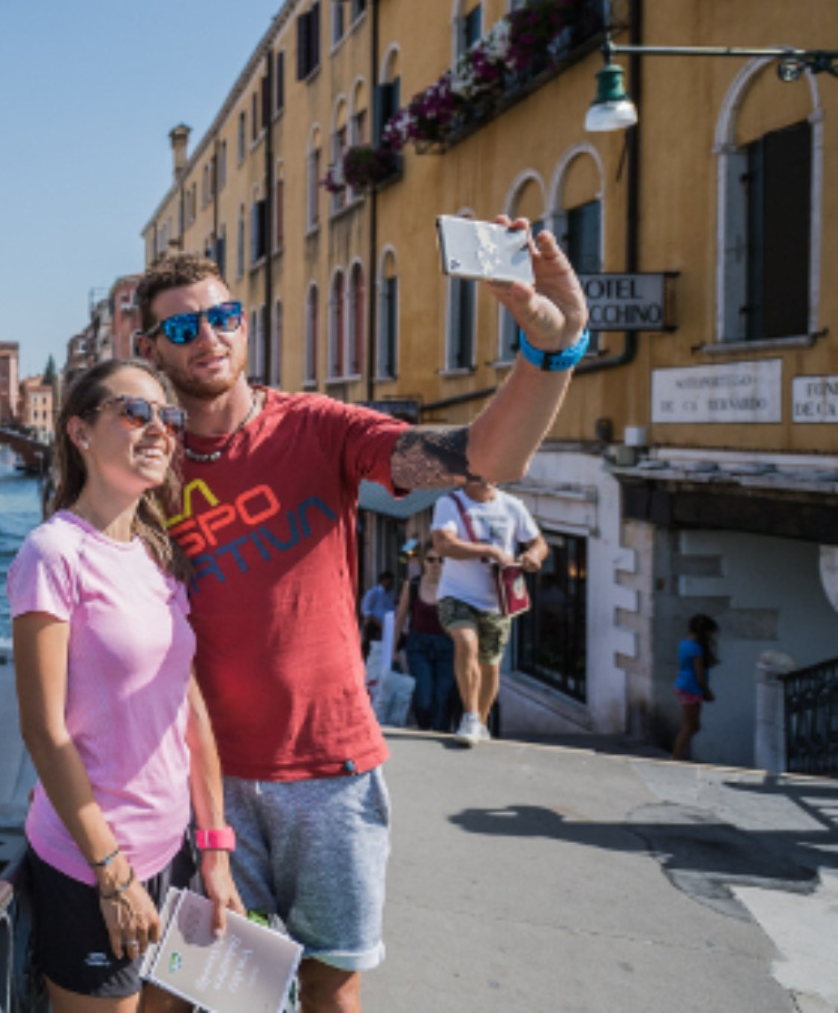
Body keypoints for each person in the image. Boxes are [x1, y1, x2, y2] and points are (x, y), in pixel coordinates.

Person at [131, 222, 587, 1013]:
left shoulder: (320, 428)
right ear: (153, 348)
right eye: (181, 327)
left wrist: (554, 350)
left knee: (330, 988)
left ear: (242, 322)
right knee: (185, 990)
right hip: (199, 777)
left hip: (329, 769)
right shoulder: (145, 464)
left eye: (222, 316)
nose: (207, 336)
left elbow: (486, 457)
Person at [10, 359, 244, 1012]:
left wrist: (215, 851)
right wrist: (111, 875)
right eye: (135, 413)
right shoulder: (53, 555)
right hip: (92, 868)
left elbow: (188, 709)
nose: (160, 430)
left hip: (173, 851)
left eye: (167, 418)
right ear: (80, 433)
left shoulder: (155, 553)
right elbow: (43, 729)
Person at [430, 480, 546, 747]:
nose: (486, 476)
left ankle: (480, 723)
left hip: (497, 600)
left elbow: (539, 542)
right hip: (456, 593)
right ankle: (469, 716)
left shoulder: (513, 506)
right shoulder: (450, 503)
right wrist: (491, 550)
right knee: (466, 641)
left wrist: (533, 556)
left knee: (491, 665)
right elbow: (443, 545)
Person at [395, 543, 455, 732]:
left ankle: (440, 736)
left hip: (447, 647)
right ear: (423, 562)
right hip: (419, 647)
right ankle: (424, 726)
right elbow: (400, 617)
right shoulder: (412, 585)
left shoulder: (454, 587)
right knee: (424, 698)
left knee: (443, 696)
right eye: (431, 559)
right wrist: (393, 651)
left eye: (441, 560)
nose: (436, 564)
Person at [673, 614, 719, 761]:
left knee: (693, 726)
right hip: (691, 688)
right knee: (689, 726)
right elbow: (699, 675)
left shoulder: (684, 644)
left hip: (684, 685)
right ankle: (676, 757)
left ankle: (679, 756)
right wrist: (707, 691)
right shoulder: (696, 649)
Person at [359, 571, 396, 661]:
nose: (391, 583)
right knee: (370, 649)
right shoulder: (374, 593)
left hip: (386, 626)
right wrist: (377, 622)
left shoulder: (391, 594)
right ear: (383, 580)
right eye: (389, 580)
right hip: (374, 624)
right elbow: (365, 610)